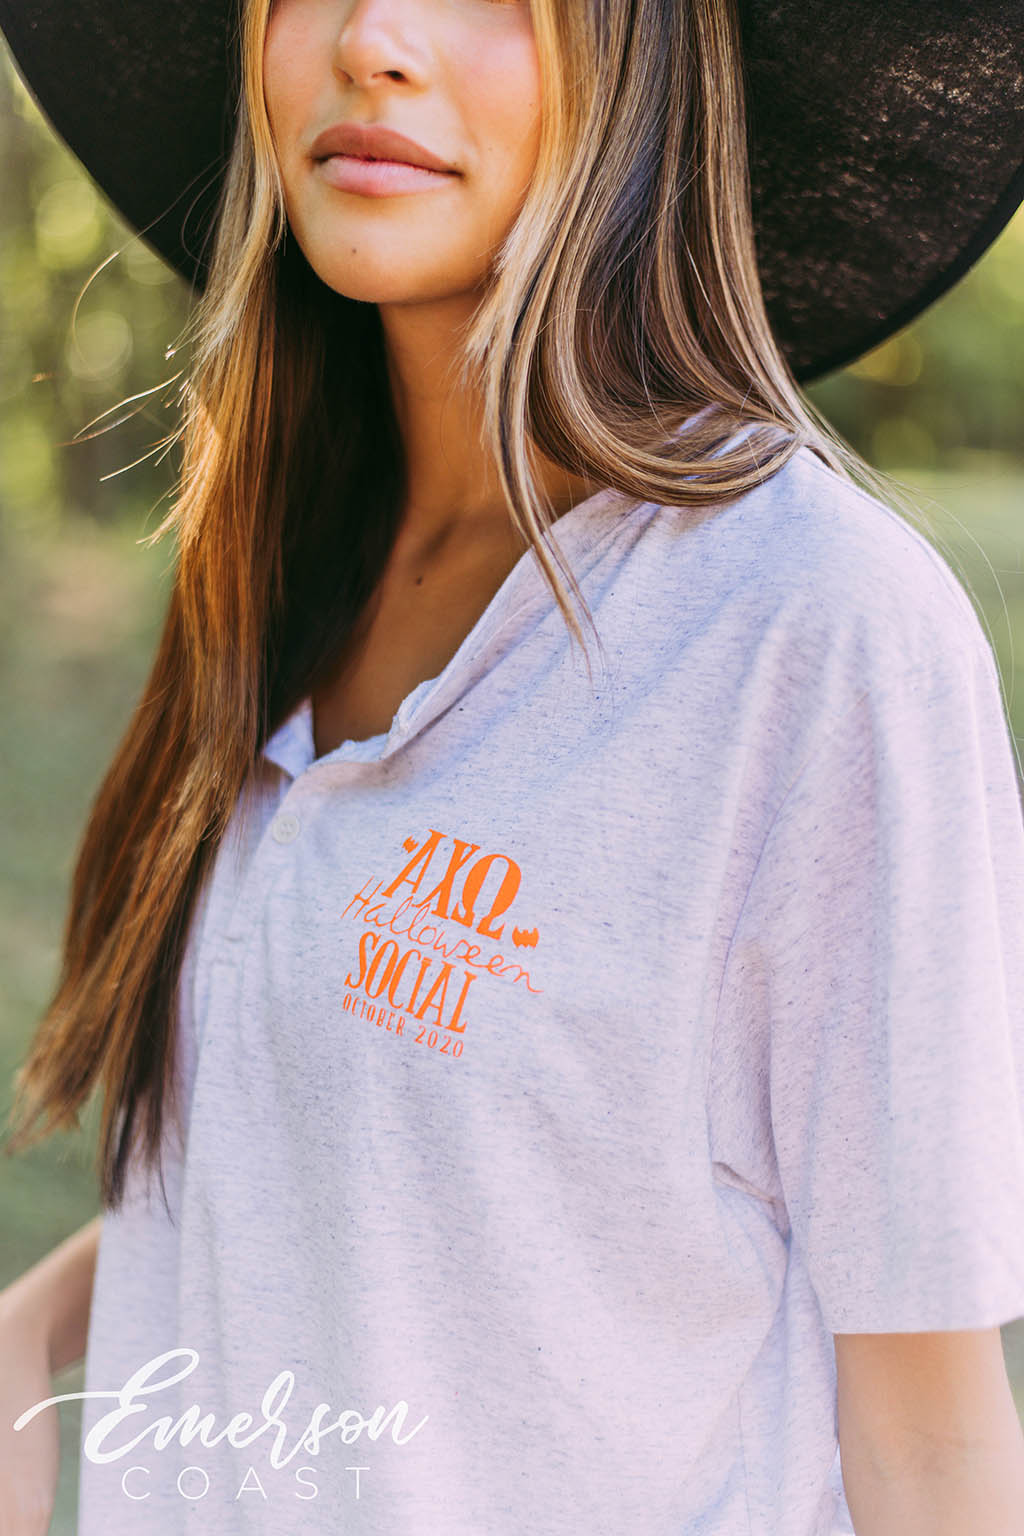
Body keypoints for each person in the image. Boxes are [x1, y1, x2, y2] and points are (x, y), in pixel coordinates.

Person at [1, 0, 1024, 1531]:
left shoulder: (814, 626)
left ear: (649, 58)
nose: (374, 39)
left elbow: (928, 1431)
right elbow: (415, 1169)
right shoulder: (298, 563)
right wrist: (33, 1334)